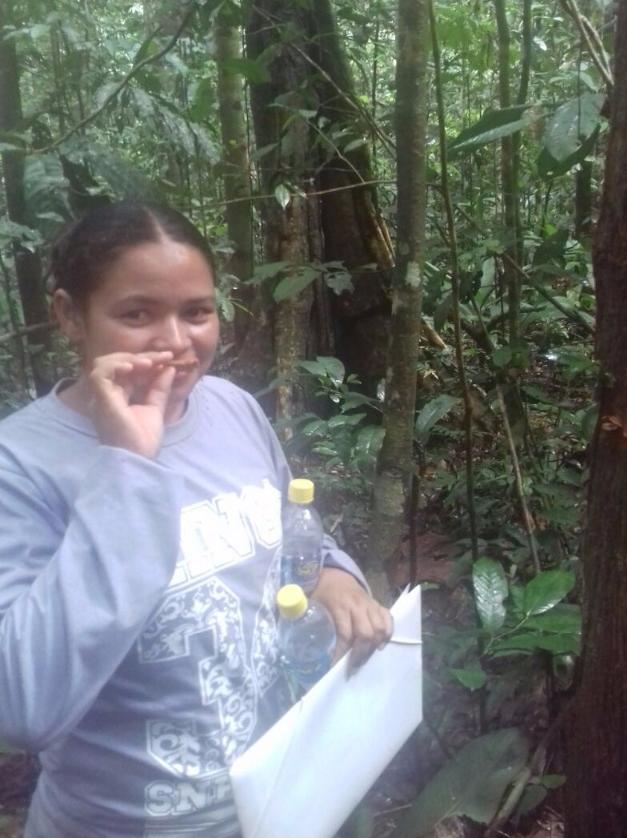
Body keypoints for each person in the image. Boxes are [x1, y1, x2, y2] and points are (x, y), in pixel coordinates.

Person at [0, 201, 392, 838]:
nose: (177, 342)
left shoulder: (231, 407)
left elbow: (293, 533)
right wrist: (128, 466)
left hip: (279, 797)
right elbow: (21, 705)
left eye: (196, 312)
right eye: (137, 314)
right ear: (70, 315)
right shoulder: (18, 464)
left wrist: (332, 575)